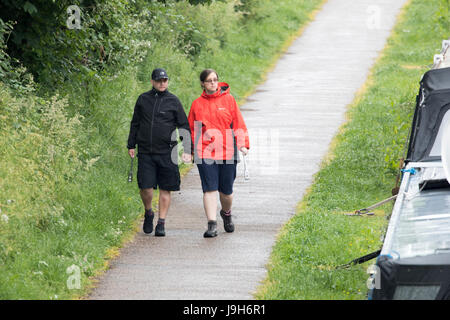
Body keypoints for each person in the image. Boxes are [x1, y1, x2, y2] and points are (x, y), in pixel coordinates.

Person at [127, 68, 192, 237]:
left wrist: (187, 149)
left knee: (165, 188)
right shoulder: (143, 99)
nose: (162, 83)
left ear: (167, 82)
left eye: (165, 80)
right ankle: (149, 212)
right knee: (145, 187)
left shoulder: (173, 101)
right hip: (146, 152)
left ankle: (161, 222)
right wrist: (131, 144)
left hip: (167, 153)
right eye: (159, 80)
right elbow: (135, 123)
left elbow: (184, 126)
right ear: (152, 82)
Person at [188, 69, 249, 238]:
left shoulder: (229, 100)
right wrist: (190, 150)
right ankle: (211, 224)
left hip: (228, 150)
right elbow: (192, 130)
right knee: (209, 189)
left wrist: (243, 144)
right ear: (202, 83)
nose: (213, 83)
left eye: (215, 80)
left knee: (226, 192)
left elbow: (238, 124)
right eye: (209, 80)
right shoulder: (197, 104)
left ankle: (226, 213)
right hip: (205, 151)